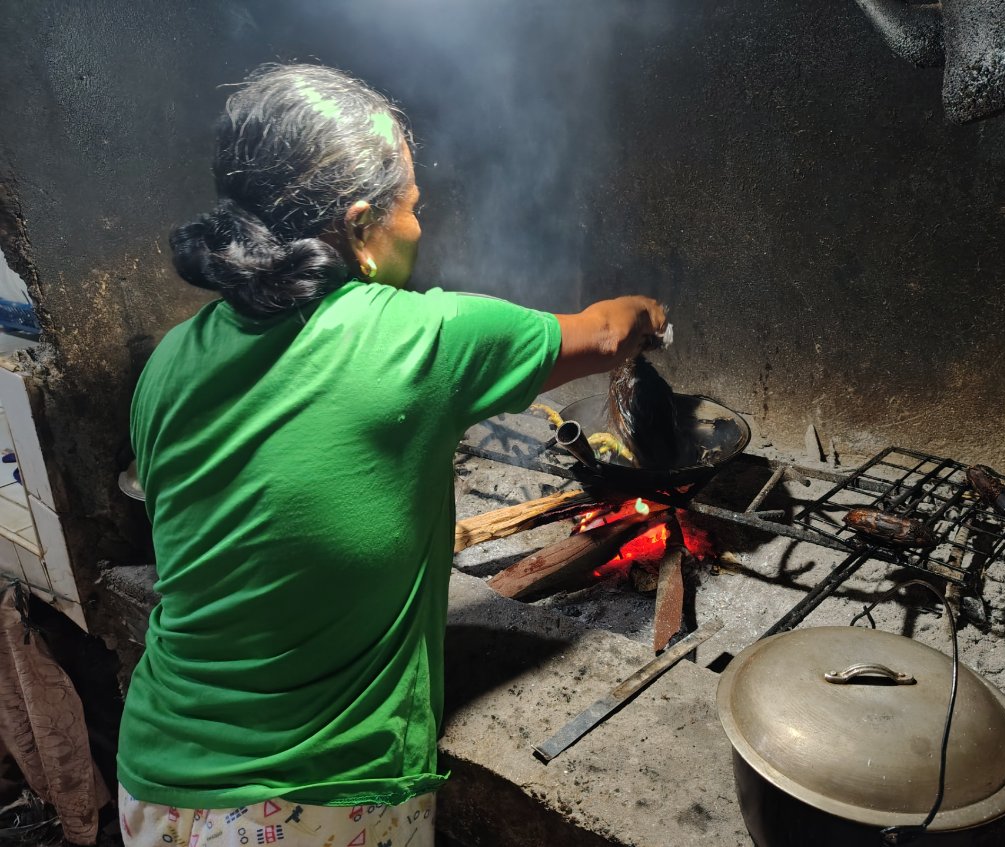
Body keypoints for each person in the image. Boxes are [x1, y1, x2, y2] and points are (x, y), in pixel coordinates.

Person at [117, 63, 667, 847]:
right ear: (361, 226)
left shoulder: (169, 360)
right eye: (414, 205)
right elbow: (608, 332)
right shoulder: (422, 337)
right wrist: (652, 309)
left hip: (156, 784)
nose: (421, 223)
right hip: (315, 803)